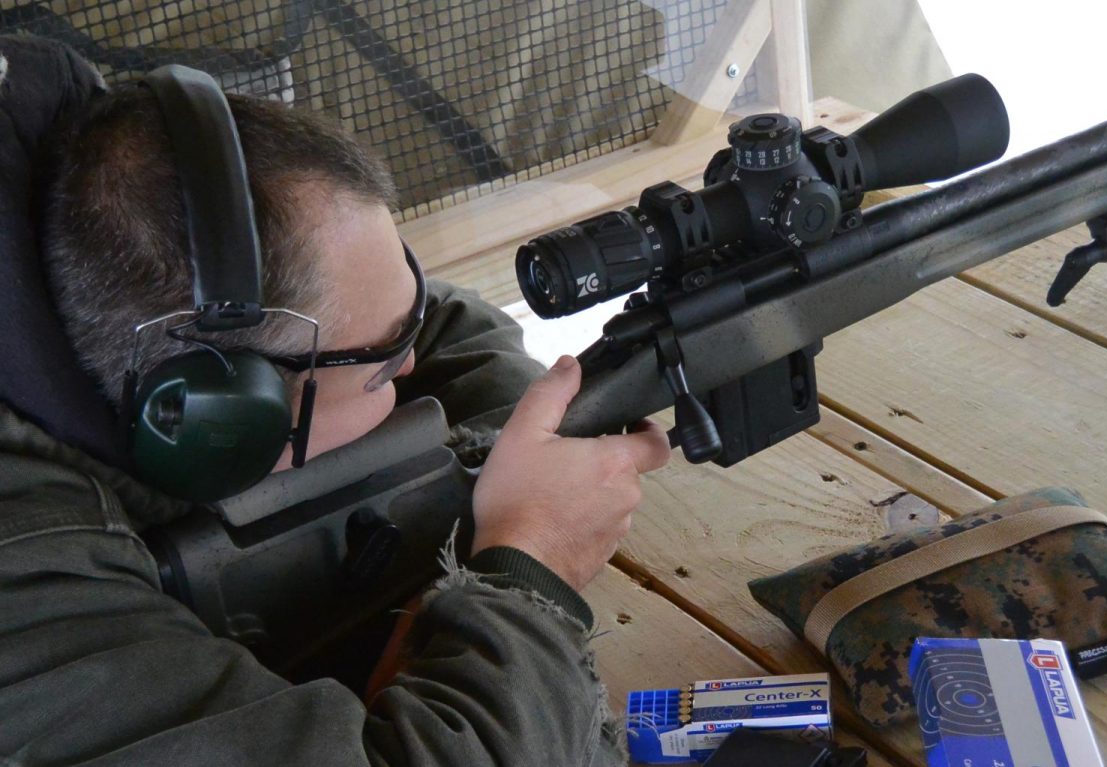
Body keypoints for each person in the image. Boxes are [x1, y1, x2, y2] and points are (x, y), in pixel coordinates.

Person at [0, 35, 670, 765]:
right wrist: (532, 562)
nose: (413, 360)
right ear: (221, 416)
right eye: (384, 369)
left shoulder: (99, 208)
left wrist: (540, 443)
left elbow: (438, 321)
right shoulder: (27, 585)